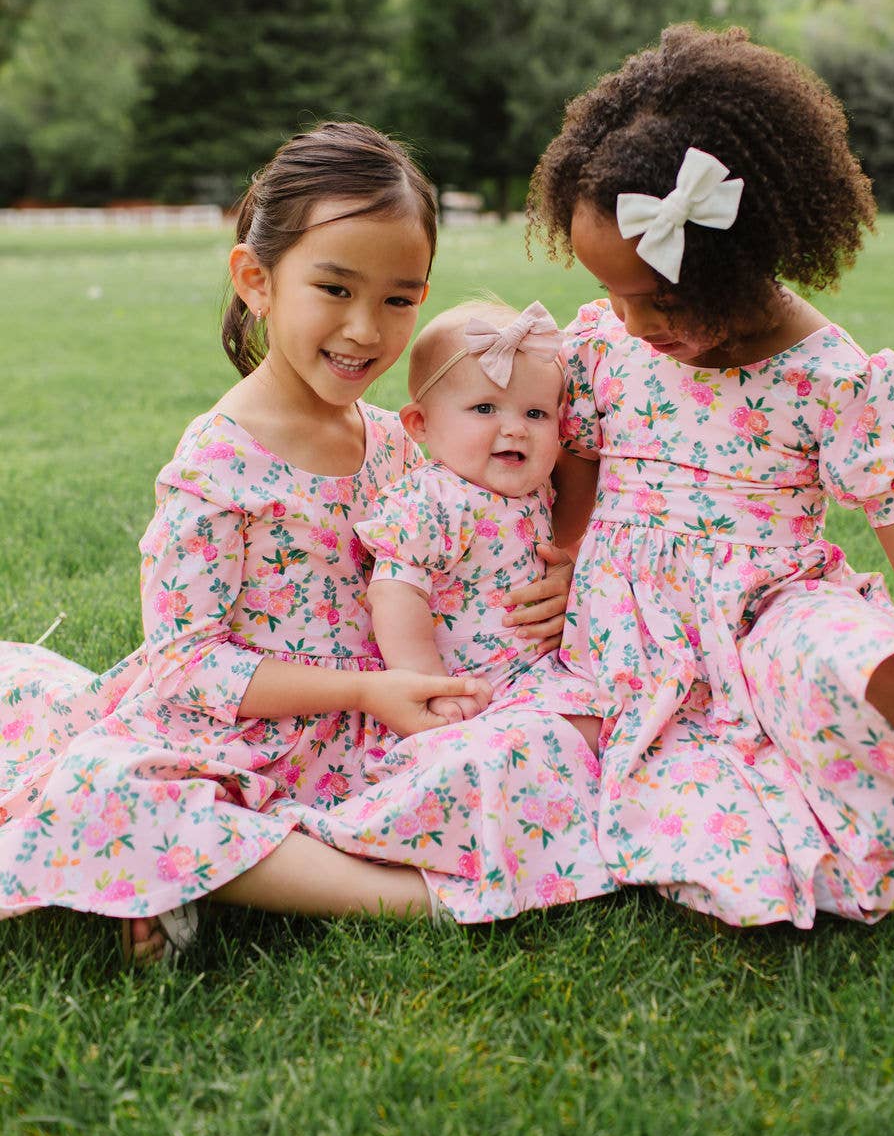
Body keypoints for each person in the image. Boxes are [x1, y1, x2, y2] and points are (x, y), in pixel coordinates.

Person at [0, 122, 608, 964]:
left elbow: (551, 464)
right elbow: (185, 663)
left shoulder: (400, 438)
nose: (366, 329)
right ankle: (408, 896)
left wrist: (562, 563)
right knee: (106, 790)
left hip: (385, 727)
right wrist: (364, 691)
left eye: (399, 299)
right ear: (257, 280)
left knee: (555, 740)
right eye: (334, 288)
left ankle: (211, 868)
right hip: (251, 730)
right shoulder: (216, 466)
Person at [515, 22, 894, 926]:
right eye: (615, 295)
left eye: (662, 301)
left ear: (743, 261)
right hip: (630, 641)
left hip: (765, 620)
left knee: (881, 668)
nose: (633, 324)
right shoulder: (606, 346)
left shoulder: (834, 382)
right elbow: (581, 466)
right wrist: (568, 553)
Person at [356, 298, 603, 745]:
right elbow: (396, 593)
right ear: (420, 423)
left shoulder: (536, 490)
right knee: (555, 739)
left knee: (607, 725)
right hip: (469, 687)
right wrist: (430, 687)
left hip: (536, 673)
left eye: (535, 413)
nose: (516, 429)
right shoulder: (432, 500)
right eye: (485, 408)